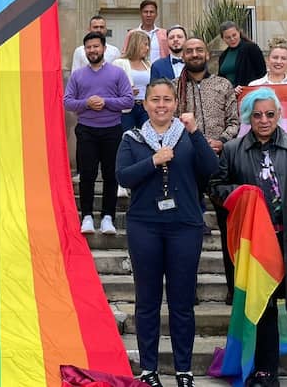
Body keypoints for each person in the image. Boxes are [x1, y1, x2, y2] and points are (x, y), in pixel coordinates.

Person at [211, 87, 287, 387]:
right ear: (247, 118)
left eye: (269, 114)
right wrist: (240, 192)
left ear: (279, 115)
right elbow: (216, 188)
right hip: (257, 243)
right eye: (257, 115)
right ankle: (265, 370)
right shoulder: (232, 150)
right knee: (262, 307)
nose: (264, 120)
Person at [116, 79, 219, 387]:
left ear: (176, 104)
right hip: (144, 225)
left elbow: (211, 167)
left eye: (167, 100)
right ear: (145, 104)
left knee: (182, 301)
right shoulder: (132, 138)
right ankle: (149, 370)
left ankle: (183, 370)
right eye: (155, 100)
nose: (161, 105)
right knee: (147, 300)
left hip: (185, 225)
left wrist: (196, 132)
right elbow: (123, 176)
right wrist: (153, 160)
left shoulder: (187, 137)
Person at [177, 37, 240, 300]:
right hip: (187, 165)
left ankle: (233, 288)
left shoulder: (223, 85)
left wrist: (221, 140)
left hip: (219, 163)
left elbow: (235, 122)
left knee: (229, 228)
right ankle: (186, 288)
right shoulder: (174, 88)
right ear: (183, 55)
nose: (194, 54)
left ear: (207, 54)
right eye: (189, 50)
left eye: (198, 50)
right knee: (187, 229)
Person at [63, 32, 134, 235]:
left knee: (111, 175)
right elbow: (67, 102)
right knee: (87, 174)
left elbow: (128, 100)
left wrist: (106, 101)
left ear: (103, 48)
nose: (92, 50)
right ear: (84, 51)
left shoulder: (117, 73)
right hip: (86, 130)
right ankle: (86, 216)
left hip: (112, 130)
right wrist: (86, 103)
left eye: (96, 46)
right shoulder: (78, 75)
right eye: (88, 47)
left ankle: (107, 217)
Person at [112, 29, 151, 131]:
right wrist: (126, 92)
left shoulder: (148, 65)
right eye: (145, 44)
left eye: (148, 45)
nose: (147, 48)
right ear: (136, 45)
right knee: (126, 138)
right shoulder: (119, 63)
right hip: (127, 109)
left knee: (147, 138)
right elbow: (110, 88)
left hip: (145, 108)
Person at [218, 20, 266, 95]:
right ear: (223, 39)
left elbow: (262, 74)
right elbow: (220, 79)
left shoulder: (251, 48)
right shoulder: (223, 55)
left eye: (234, 35)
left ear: (239, 33)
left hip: (248, 95)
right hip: (228, 96)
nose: (232, 39)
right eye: (228, 37)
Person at [123, 0, 169, 64]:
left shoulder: (164, 33)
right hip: (138, 71)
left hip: (159, 72)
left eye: (151, 12)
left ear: (156, 14)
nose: (148, 15)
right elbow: (125, 53)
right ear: (141, 13)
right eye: (145, 12)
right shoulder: (132, 34)